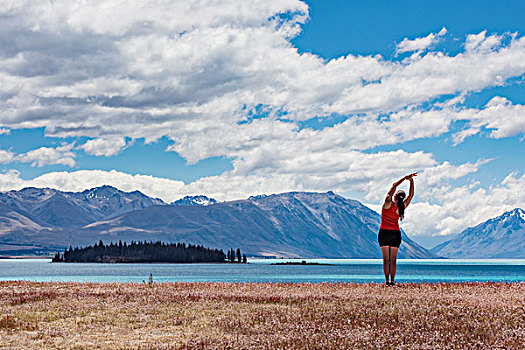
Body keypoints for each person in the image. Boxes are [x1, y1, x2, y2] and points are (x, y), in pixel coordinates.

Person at [378, 172, 417, 286]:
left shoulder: (387, 203)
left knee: (386, 260)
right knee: (393, 260)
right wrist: (411, 181)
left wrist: (404, 178)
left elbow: (394, 186)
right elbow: (411, 195)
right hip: (395, 233)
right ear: (402, 198)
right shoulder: (402, 207)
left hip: (384, 232)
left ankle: (387, 281)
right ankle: (393, 281)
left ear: (394, 196)